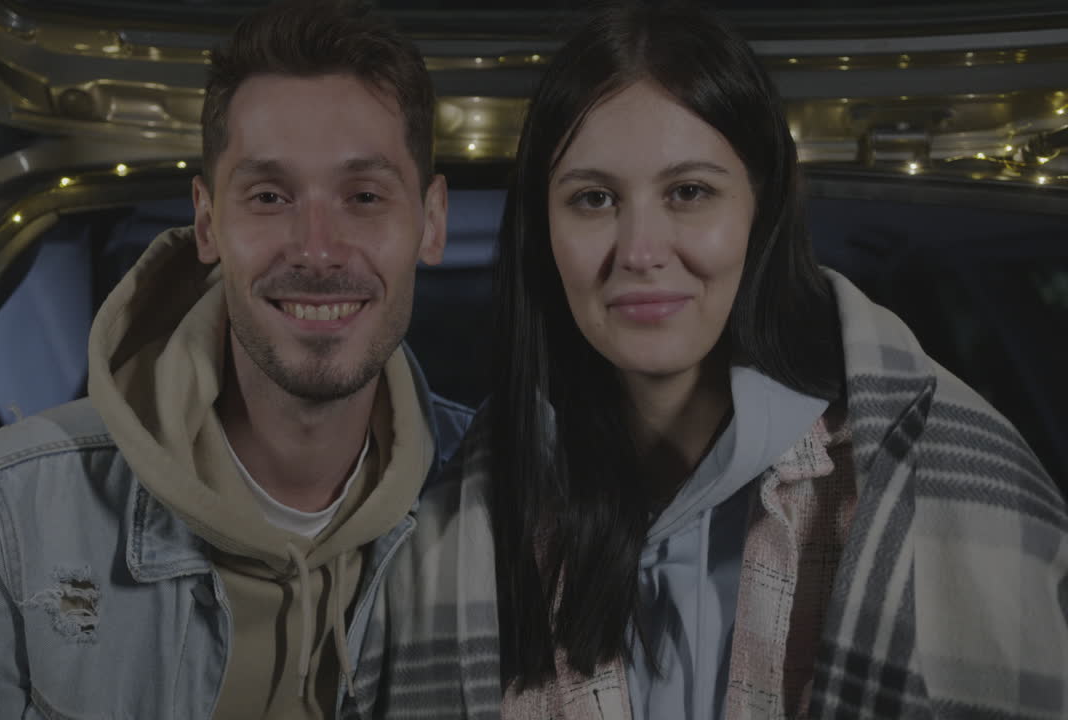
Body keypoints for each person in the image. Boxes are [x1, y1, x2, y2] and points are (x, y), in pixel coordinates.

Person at [364, 3, 1068, 719]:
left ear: (763, 207)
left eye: (689, 192)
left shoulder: (959, 483)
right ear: (543, 228)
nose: (640, 251)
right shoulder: (460, 524)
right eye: (594, 198)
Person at [0, 1, 473, 718]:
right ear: (207, 222)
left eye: (365, 196)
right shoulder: (7, 522)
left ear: (432, 221)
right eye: (269, 195)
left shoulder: (520, 509)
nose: (317, 249)